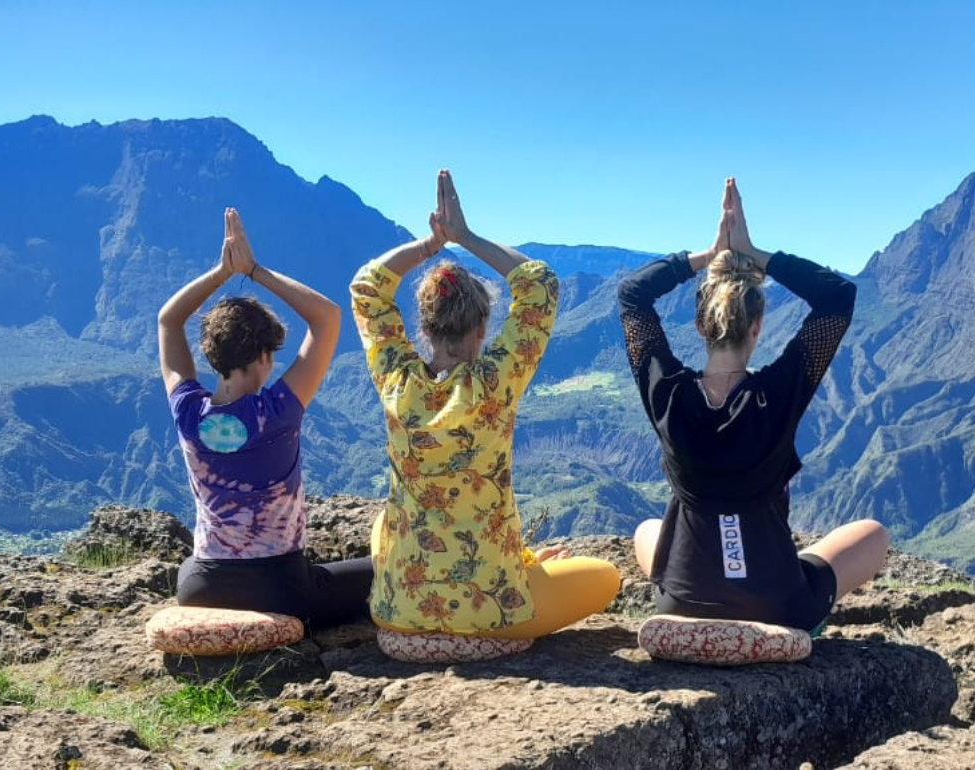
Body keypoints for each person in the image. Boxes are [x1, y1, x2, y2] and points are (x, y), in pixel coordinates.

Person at [350, 170, 620, 640]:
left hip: (397, 611)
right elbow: (539, 284)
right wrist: (465, 238)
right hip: (495, 616)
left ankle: (506, 564)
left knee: (383, 523)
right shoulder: (496, 382)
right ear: (482, 329)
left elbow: (368, 289)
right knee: (605, 576)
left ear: (425, 329)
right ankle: (517, 566)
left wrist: (429, 246)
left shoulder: (397, 381)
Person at [618, 177, 888, 632]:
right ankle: (768, 574)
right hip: (778, 608)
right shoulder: (778, 395)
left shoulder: (668, 395)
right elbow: (838, 297)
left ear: (702, 323)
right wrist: (754, 253)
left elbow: (632, 295)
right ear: (758, 326)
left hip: (682, 606)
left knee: (647, 530)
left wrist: (706, 257)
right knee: (873, 536)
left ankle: (702, 583)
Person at [158, 207, 373, 630]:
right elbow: (327, 317)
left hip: (203, 584)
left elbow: (169, 319)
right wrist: (253, 270)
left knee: (189, 568)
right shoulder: (277, 411)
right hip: (282, 588)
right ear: (261, 357)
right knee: (383, 570)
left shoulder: (188, 411)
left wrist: (222, 273)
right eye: (272, 357)